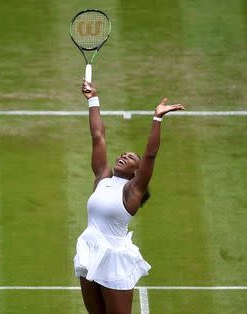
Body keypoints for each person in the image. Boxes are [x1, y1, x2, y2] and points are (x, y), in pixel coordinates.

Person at [73, 80, 185, 314]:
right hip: (90, 251)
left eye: (131, 156)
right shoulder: (102, 177)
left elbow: (151, 155)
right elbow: (98, 136)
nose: (124, 155)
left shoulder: (131, 192)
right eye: (123, 154)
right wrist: (93, 99)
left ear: (137, 170)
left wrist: (157, 119)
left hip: (114, 261)